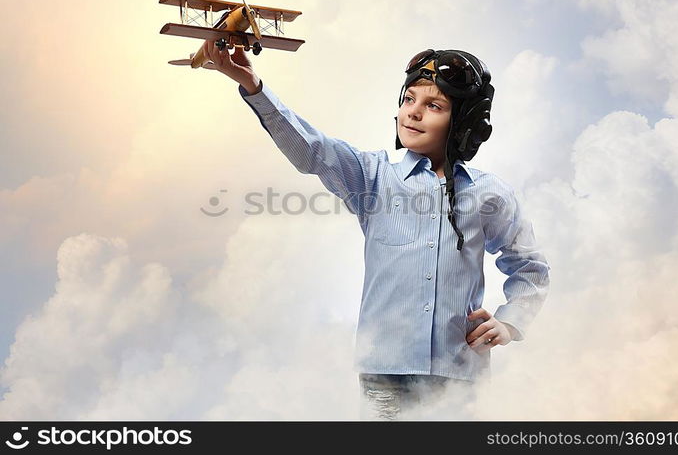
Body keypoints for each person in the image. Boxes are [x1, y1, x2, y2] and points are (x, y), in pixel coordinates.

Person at [201, 41, 551, 421]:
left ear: (464, 122)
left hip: (460, 378)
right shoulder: (372, 177)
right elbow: (313, 150)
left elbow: (529, 265)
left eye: (433, 106)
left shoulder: (490, 193)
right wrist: (254, 86)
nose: (413, 113)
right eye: (409, 100)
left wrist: (511, 320)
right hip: (385, 378)